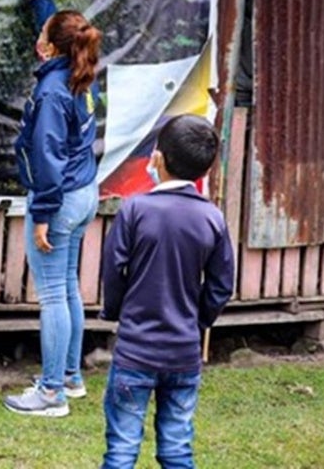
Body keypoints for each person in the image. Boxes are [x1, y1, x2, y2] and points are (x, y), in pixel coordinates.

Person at [98, 114, 236, 468]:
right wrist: (197, 321)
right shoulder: (212, 218)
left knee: (122, 450)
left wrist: (115, 311)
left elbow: (113, 271)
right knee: (177, 449)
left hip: (135, 351)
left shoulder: (135, 210)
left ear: (157, 158)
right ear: (204, 172)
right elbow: (221, 286)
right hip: (184, 354)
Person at [3, 0, 103, 418]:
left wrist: (42, 212)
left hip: (59, 200)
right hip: (84, 194)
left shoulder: (50, 95)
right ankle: (70, 379)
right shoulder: (80, 72)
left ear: (48, 47)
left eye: (43, 31)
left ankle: (50, 395)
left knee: (51, 297)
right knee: (67, 289)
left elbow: (46, 161)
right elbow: (58, 25)